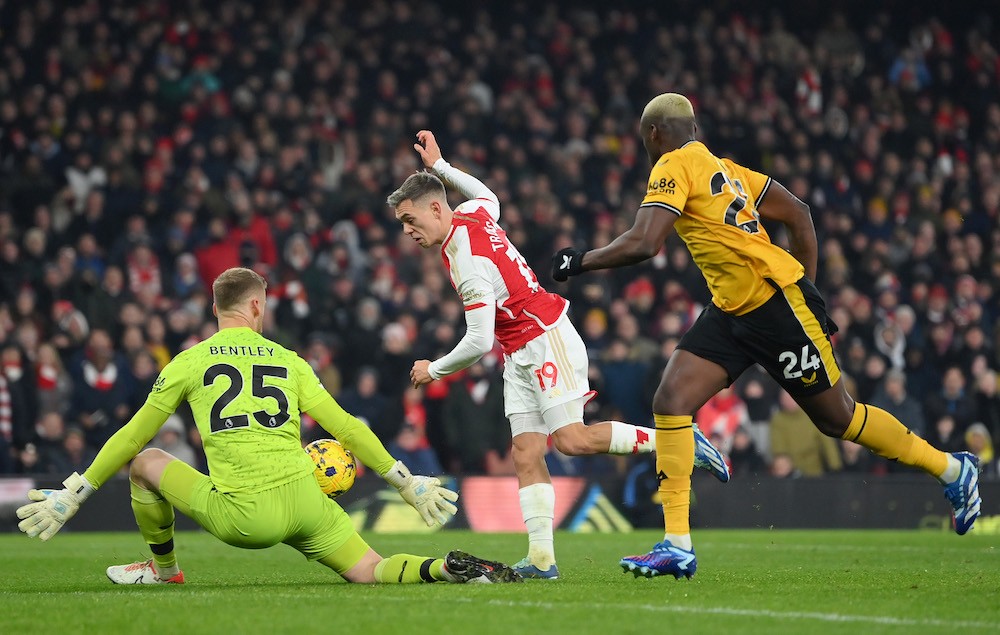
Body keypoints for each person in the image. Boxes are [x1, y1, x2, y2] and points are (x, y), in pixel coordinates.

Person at [550, 93, 982, 579]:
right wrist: (810, 283)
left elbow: (646, 242)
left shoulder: (673, 163)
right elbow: (798, 211)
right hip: (732, 309)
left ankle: (952, 468)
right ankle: (676, 545)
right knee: (671, 400)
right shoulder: (728, 170)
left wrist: (580, 261)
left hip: (775, 305)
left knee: (838, 419)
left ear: (654, 134)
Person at [16, 267, 519, 586]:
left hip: (246, 517)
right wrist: (405, 482)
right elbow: (344, 426)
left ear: (216, 309)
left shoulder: (188, 362)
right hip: (306, 502)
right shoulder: (292, 361)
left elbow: (132, 436)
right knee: (370, 570)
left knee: (145, 464)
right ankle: (444, 568)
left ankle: (165, 572)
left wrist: (77, 490)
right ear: (258, 306)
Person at [388, 130, 730, 580]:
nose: (408, 231)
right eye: (402, 224)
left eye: (410, 220)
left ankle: (680, 442)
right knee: (526, 451)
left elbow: (476, 341)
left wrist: (433, 369)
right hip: (519, 350)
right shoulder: (471, 214)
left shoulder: (468, 259)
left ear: (436, 208)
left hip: (545, 336)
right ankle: (542, 561)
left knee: (571, 440)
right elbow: (488, 195)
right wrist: (442, 167)